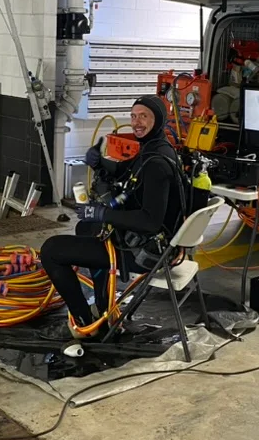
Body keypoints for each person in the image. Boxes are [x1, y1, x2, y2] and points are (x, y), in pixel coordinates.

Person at [40, 95, 184, 336]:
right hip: (147, 242)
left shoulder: (157, 164)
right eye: (134, 116)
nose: (137, 122)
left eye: (144, 116)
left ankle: (85, 323)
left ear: (158, 120)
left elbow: (150, 221)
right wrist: (99, 163)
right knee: (85, 229)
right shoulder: (154, 149)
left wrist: (103, 213)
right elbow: (124, 171)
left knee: (51, 250)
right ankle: (104, 305)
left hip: (145, 253)